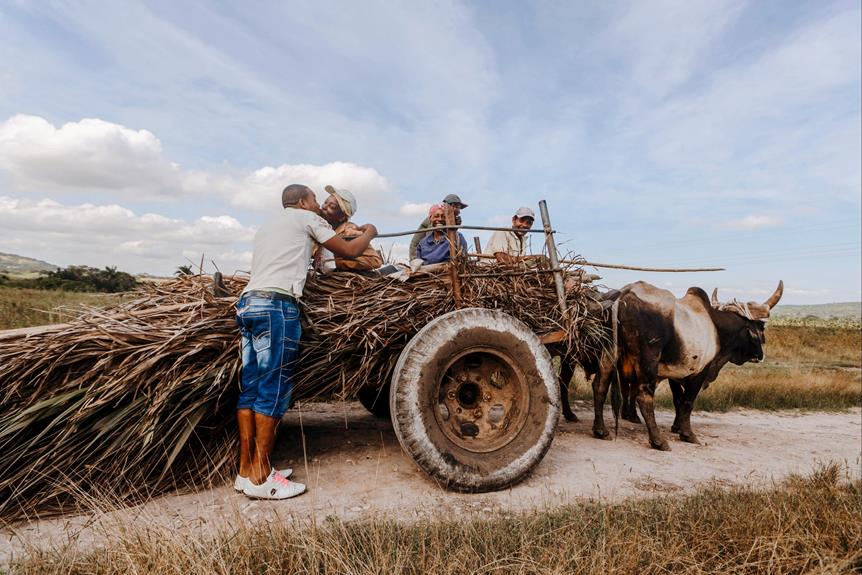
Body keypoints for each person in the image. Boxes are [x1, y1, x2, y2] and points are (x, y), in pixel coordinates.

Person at [235, 184, 377, 500]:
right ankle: (261, 478)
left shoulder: (269, 225)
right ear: (302, 202)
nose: (318, 204)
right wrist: (371, 231)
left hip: (248, 305)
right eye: (315, 199)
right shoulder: (306, 219)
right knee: (273, 389)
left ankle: (246, 471)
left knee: (252, 388)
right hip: (276, 307)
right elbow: (353, 252)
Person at [314, 185, 384, 272]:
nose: (324, 207)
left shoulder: (349, 232)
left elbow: (375, 261)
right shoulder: (320, 227)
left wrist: (337, 263)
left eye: (331, 207)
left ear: (342, 217)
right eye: (325, 202)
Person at [408, 193, 468, 260]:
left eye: (459, 208)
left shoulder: (454, 220)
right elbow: (433, 244)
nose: (459, 211)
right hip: (426, 254)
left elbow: (453, 240)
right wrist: (414, 260)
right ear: (450, 206)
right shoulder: (435, 222)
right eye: (457, 207)